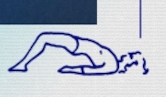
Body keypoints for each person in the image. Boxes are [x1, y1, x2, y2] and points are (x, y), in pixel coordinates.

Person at [9, 32, 148, 75]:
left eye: (131, 57)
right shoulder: (114, 61)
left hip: (78, 46)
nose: (127, 55)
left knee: (44, 38)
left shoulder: (113, 66)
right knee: (44, 38)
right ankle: (23, 64)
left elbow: (87, 71)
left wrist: (69, 69)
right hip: (78, 43)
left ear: (130, 64)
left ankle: (22, 64)